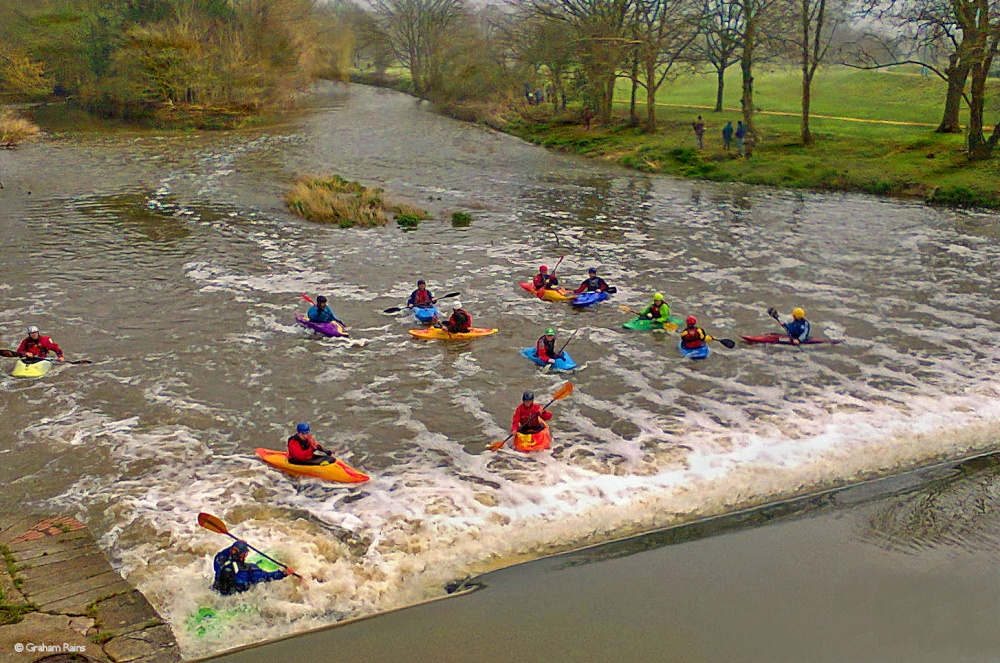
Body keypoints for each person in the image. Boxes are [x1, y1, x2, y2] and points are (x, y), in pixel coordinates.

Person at [212, 540, 292, 596]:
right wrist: (283, 573)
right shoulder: (250, 571)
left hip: (217, 594)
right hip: (237, 601)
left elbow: (221, 555)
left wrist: (236, 545)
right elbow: (267, 577)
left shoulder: (220, 563)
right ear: (244, 555)